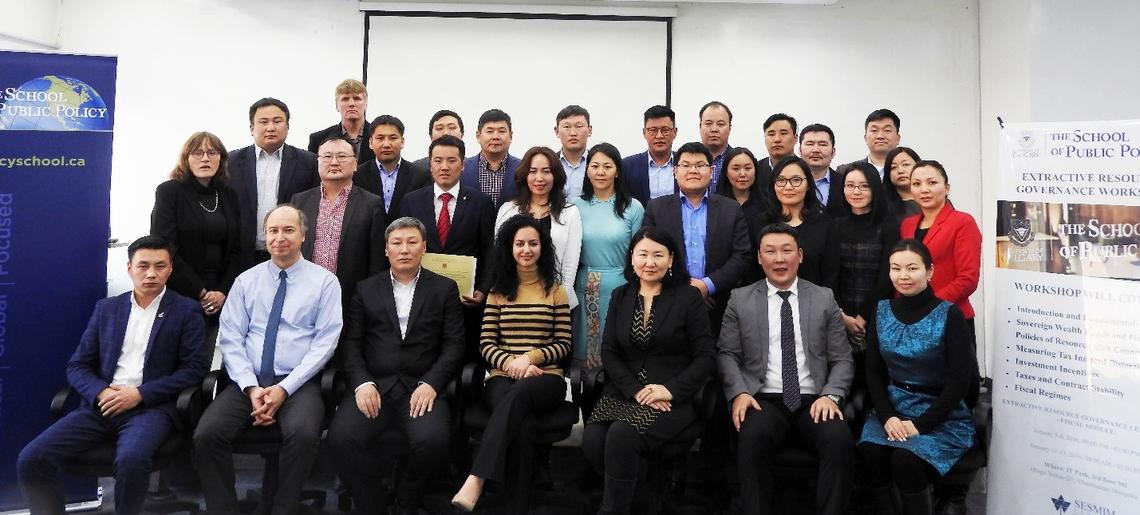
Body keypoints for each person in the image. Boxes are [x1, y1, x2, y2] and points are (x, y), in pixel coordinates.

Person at [17, 236, 207, 515]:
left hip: (151, 409)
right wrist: (101, 392)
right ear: (129, 268)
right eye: (143, 265)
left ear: (170, 270)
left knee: (131, 460)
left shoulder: (186, 311)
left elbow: (193, 370)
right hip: (101, 405)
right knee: (31, 459)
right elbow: (78, 365)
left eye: (160, 266)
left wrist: (140, 394)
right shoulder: (107, 309)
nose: (151, 273)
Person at [193, 205, 342, 515]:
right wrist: (251, 388)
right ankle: (225, 509)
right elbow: (231, 337)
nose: (280, 238)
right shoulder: (246, 281)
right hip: (247, 383)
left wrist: (283, 389)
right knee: (207, 436)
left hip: (298, 384)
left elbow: (325, 343)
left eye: (288, 230)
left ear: (303, 235)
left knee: (302, 437)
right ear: (265, 236)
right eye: (273, 231)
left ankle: (283, 508)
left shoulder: (325, 282)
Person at [328, 217, 465, 515]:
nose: (404, 249)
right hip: (374, 386)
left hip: (421, 387)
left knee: (433, 443)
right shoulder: (365, 289)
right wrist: (362, 382)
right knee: (340, 440)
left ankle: (406, 502)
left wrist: (432, 383)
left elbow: (455, 345)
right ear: (386, 250)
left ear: (424, 247)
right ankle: (373, 502)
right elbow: (351, 343)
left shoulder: (444, 289)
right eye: (397, 243)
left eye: (412, 242)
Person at [716, 223, 855, 515]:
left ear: (800, 255)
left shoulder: (823, 297)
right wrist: (739, 393)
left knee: (839, 439)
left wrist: (831, 395)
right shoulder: (740, 299)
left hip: (813, 399)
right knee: (752, 439)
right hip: (762, 399)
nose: (779, 259)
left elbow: (842, 358)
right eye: (770, 251)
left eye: (787, 251)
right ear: (759, 258)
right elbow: (727, 354)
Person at [581, 227, 715, 515]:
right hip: (627, 391)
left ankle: (613, 509)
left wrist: (670, 389)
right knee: (593, 442)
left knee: (621, 436)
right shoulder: (621, 295)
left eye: (658, 255)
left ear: (671, 260)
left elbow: (705, 357)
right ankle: (645, 502)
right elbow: (609, 351)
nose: (649, 262)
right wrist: (635, 389)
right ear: (632, 258)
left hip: (671, 397)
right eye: (643, 254)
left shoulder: (688, 297)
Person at [451, 215, 572, 512]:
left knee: (521, 397)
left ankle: (477, 477)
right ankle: (517, 506)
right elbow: (487, 344)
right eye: (520, 244)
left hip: (546, 378)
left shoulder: (556, 290)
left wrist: (529, 359)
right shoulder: (497, 292)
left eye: (533, 243)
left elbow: (564, 344)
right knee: (524, 422)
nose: (526, 249)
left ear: (543, 247)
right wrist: (512, 365)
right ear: (509, 248)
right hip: (502, 377)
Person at [858, 240, 976, 515]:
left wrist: (921, 425)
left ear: (930, 271)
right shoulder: (882, 311)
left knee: (905, 460)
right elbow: (873, 371)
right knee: (869, 453)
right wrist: (888, 417)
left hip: (941, 415)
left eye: (912, 268)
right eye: (896, 268)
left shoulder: (949, 314)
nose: (903, 276)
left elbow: (960, 381)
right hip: (894, 408)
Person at [400, 135, 496, 357]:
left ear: (463, 165)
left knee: (462, 360)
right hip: (420, 299)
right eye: (438, 160)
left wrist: (483, 289)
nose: (444, 167)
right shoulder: (411, 201)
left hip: (465, 304)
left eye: (451, 161)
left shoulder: (481, 203)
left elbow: (490, 251)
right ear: (430, 164)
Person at [643, 141, 751, 337]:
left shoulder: (730, 209)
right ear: (675, 171)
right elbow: (650, 255)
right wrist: (685, 288)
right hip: (669, 301)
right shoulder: (656, 209)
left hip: (719, 304)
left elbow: (741, 256)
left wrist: (707, 286)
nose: (693, 170)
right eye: (686, 165)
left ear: (711, 171)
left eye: (700, 165)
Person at [150, 131, 241, 345]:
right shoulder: (169, 191)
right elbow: (164, 247)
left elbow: (237, 247)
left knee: (213, 358)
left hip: (222, 293)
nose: (205, 158)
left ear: (222, 158)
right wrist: (199, 291)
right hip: (181, 289)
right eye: (197, 152)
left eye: (212, 152)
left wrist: (221, 292)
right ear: (186, 159)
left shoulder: (228, 195)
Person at [572, 143, 644, 369]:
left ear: (617, 171)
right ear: (587, 170)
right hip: (587, 285)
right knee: (587, 360)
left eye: (607, 166)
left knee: (620, 351)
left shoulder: (633, 208)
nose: (600, 172)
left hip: (623, 285)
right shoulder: (575, 207)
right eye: (594, 166)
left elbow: (639, 254)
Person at [292, 137, 385, 305]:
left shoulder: (371, 204)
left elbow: (376, 260)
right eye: (327, 157)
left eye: (342, 156)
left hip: (351, 297)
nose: (334, 162)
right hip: (303, 295)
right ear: (318, 162)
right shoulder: (300, 201)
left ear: (355, 164)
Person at [228, 97, 319, 267]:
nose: (270, 127)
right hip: (241, 258)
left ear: (287, 126)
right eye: (263, 122)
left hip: (290, 257)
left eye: (277, 121)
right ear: (252, 128)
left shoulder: (308, 162)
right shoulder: (230, 162)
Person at [832, 161, 899, 378]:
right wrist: (843, 316)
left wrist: (861, 319)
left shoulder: (888, 225)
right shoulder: (834, 225)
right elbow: (831, 274)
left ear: (875, 188)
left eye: (864, 186)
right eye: (850, 185)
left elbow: (886, 276)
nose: (856, 191)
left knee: (874, 376)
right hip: (839, 315)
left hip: (877, 313)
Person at [494, 146, 583, 310]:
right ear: (524, 175)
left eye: (546, 171)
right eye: (533, 171)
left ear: (555, 175)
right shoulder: (508, 210)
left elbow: (570, 266)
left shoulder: (570, 213)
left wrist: (560, 300)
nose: (539, 178)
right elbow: (500, 258)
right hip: (512, 297)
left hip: (553, 299)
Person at [898, 160, 981, 327]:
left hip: (950, 316)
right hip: (911, 318)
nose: (924, 189)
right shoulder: (907, 225)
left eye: (932, 182)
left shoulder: (962, 222)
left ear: (947, 188)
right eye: (916, 184)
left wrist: (928, 305)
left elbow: (967, 279)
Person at [757, 156, 840, 291]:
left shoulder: (824, 224)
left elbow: (831, 274)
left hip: (814, 304)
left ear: (808, 185)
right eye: (781, 180)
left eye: (796, 180)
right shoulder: (761, 223)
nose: (788, 187)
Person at [352, 114, 430, 224]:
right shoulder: (357, 176)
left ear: (402, 142)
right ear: (370, 142)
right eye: (380, 138)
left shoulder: (420, 176)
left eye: (393, 138)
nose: (386, 144)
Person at [461, 108, 522, 209]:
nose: (495, 137)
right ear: (478, 136)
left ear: (511, 136)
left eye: (501, 131)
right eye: (490, 131)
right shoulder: (463, 168)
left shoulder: (523, 168)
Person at [713, 147, 767, 254]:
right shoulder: (714, 206)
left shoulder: (767, 206)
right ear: (726, 173)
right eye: (736, 169)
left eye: (747, 168)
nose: (742, 174)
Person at [307, 79, 373, 165]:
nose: (351, 104)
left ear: (366, 104)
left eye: (357, 99)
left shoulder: (379, 137)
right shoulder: (318, 139)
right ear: (336, 105)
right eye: (345, 99)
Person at [622, 105, 678, 206]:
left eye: (665, 130)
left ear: (674, 132)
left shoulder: (686, 164)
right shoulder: (627, 166)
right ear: (644, 132)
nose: (659, 136)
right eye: (653, 130)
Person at [799, 123, 847, 217]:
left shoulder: (845, 184)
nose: (816, 150)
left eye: (822, 144)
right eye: (810, 144)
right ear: (800, 151)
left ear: (833, 152)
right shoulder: (786, 184)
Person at [839, 108, 901, 180]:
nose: (880, 136)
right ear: (865, 138)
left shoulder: (910, 172)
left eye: (887, 130)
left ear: (898, 138)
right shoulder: (845, 171)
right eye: (874, 130)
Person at [555, 105, 593, 199]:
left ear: (589, 130)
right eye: (567, 127)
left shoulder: (598, 163)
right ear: (557, 131)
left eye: (579, 126)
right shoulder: (549, 163)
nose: (573, 133)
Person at [756, 113, 798, 189]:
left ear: (795, 138)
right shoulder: (755, 171)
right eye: (771, 134)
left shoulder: (806, 169)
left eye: (783, 133)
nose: (777, 139)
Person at [699, 101, 733, 192]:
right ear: (700, 127)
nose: (714, 129)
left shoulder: (737, 160)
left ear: (730, 128)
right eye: (708, 124)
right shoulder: (687, 161)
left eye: (720, 124)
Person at [883, 146, 923, 218]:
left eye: (906, 165)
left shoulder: (937, 200)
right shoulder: (882, 204)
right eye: (893, 167)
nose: (900, 171)